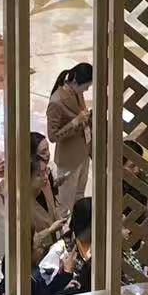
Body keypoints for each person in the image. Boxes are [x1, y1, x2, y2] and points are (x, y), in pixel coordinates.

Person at [46, 63, 92, 207]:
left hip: (83, 152)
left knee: (79, 196)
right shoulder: (56, 102)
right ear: (75, 82)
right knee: (66, 203)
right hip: (68, 160)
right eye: (86, 86)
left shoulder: (77, 92)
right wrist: (74, 122)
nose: (87, 89)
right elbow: (52, 136)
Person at [36, 196, 92, 295]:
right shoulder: (58, 250)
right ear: (88, 224)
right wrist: (65, 278)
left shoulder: (103, 245)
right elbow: (43, 292)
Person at [29, 131, 65, 260]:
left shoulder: (46, 178)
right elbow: (31, 240)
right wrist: (50, 230)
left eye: (48, 149)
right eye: (43, 151)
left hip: (53, 246)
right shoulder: (21, 203)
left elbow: (53, 205)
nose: (48, 154)